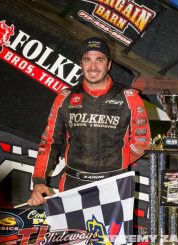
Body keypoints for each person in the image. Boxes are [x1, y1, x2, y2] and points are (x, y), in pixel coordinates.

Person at [28, 37, 151, 206]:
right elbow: (49, 142)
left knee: (111, 233)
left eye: (99, 60)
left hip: (114, 186)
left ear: (108, 65)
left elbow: (141, 143)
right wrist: (38, 180)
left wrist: (114, 167)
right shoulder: (65, 97)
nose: (93, 67)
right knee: (71, 233)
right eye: (87, 60)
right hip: (72, 186)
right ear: (81, 63)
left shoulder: (129, 97)